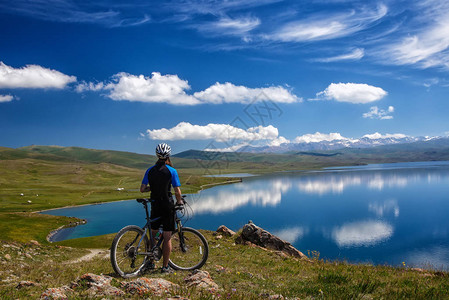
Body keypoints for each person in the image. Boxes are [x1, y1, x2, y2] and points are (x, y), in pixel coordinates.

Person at [140, 143, 183, 273]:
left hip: (155, 204)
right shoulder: (172, 171)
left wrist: (152, 188)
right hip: (167, 206)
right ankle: (165, 267)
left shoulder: (150, 170)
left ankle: (151, 263)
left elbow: (142, 189)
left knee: (153, 235)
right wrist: (179, 202)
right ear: (168, 155)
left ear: (156, 155)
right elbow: (177, 191)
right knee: (167, 236)